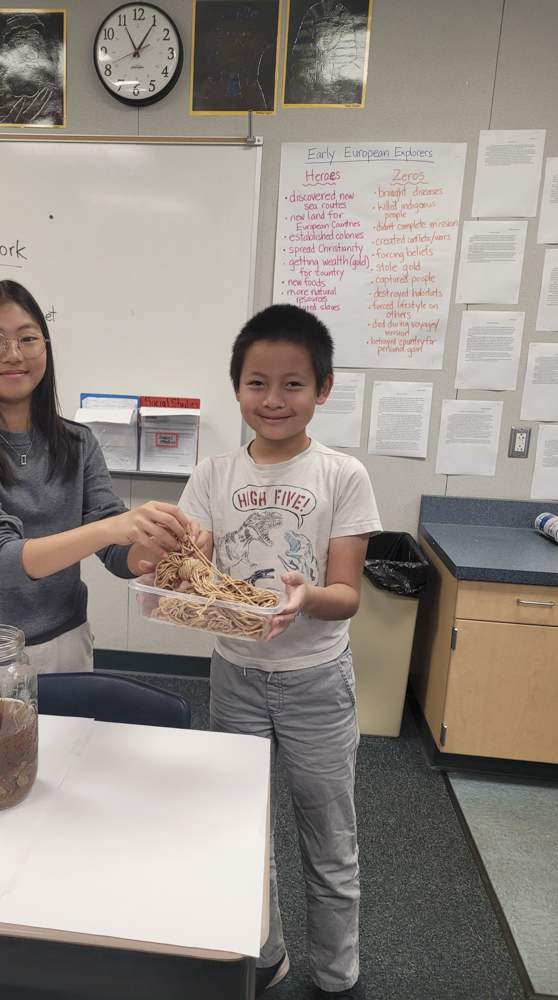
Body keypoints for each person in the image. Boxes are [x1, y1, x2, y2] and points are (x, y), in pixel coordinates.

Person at [174, 304, 381, 999]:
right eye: (257, 383)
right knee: (243, 832)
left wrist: (305, 597)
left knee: (329, 837)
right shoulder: (213, 473)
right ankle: (262, 956)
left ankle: (337, 976)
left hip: (316, 680)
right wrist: (184, 563)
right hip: (235, 677)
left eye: (293, 384)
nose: (273, 399)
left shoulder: (342, 475)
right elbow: (192, 566)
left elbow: (346, 595)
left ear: (323, 388)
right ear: (237, 387)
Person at [0, 278, 192, 704]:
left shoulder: (77, 442)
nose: (14, 354)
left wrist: (162, 544)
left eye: (28, 338)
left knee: (70, 748)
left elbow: (119, 555)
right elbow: (1, 559)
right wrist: (112, 528)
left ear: (45, 347)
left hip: (67, 643)